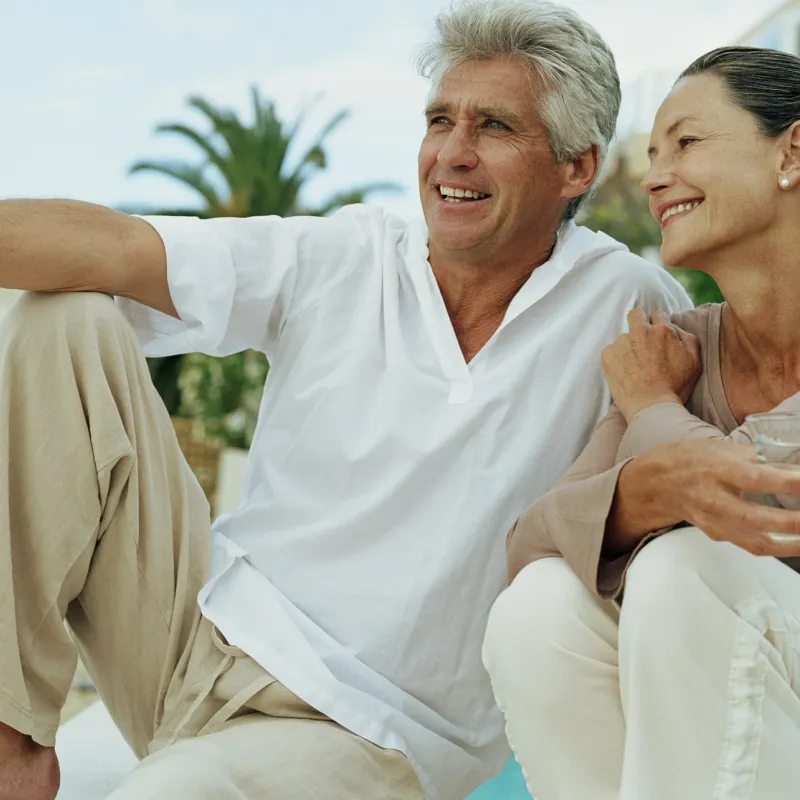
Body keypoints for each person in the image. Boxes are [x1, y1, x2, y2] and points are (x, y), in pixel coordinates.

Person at [0, 2, 690, 799]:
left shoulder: (632, 307)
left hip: (366, 732)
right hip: (191, 632)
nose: (452, 155)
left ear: (577, 167)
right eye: (441, 120)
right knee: (63, 312)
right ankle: (14, 733)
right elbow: (119, 247)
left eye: (494, 127)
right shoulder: (345, 254)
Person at [483, 45, 800, 800]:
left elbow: (765, 503)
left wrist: (653, 412)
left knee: (684, 568)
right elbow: (530, 541)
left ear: (793, 150)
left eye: (687, 143)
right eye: (653, 153)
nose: (656, 177)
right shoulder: (677, 347)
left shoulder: (655, 378)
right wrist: (648, 486)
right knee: (539, 611)